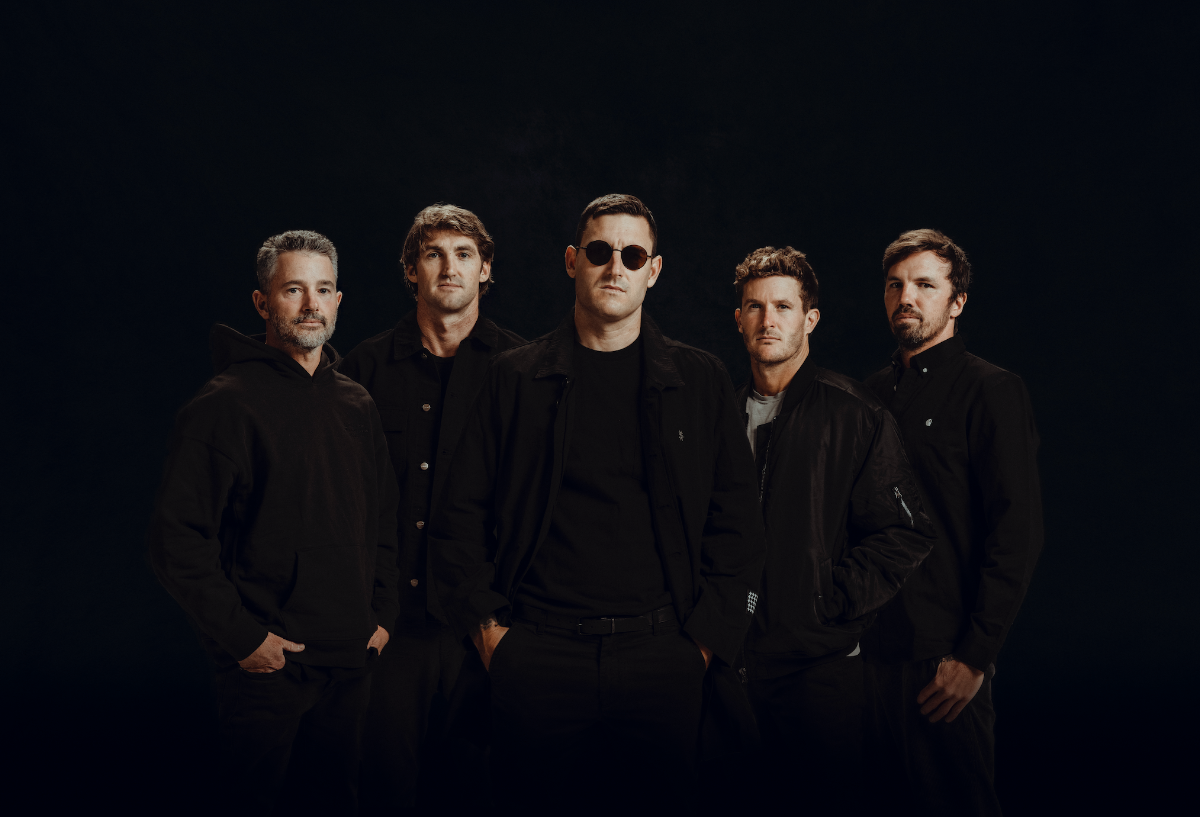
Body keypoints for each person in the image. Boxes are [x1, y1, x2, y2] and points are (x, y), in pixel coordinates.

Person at [429, 194, 766, 809]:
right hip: (536, 656)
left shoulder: (699, 380)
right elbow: (459, 518)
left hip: (663, 657)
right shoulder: (514, 378)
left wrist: (701, 647)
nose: (616, 267)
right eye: (600, 251)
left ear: (653, 271)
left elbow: (738, 525)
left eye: (632, 255)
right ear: (571, 261)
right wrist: (491, 635)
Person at [147, 230, 400, 814]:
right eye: (293, 290)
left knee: (335, 800)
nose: (311, 304)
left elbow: (383, 518)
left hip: (351, 658)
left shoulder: (356, 403)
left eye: (323, 289)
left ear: (339, 300)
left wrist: (382, 616)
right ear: (263, 302)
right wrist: (245, 639)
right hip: (269, 667)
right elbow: (176, 540)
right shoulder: (223, 405)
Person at [731, 246, 936, 809]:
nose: (768, 320)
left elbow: (907, 531)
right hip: (733, 670)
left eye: (783, 307)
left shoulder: (854, 413)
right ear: (739, 319)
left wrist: (831, 599)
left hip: (818, 674)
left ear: (810, 319)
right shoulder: (719, 415)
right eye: (755, 307)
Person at [339, 204, 524, 812]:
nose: (449, 267)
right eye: (433, 254)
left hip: (487, 631)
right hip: (389, 631)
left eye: (464, 254)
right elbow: (338, 502)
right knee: (382, 790)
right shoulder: (361, 372)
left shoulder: (523, 371)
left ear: (485, 269)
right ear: (410, 270)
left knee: (476, 793)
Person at [862, 229, 1044, 815]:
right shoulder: (868, 395)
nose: (906, 297)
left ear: (957, 301)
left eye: (924, 285)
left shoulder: (991, 390)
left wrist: (974, 656)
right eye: (895, 285)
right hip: (868, 655)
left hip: (944, 660)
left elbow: (1017, 534)